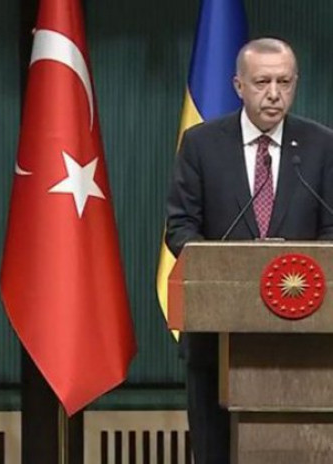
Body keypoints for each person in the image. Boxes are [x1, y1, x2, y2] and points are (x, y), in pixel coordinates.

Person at [166, 37, 333, 464]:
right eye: (262, 82)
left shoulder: (321, 145)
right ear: (238, 85)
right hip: (216, 340)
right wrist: (228, 265)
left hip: (304, 342)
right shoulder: (202, 144)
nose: (274, 94)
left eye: (284, 82)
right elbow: (181, 228)